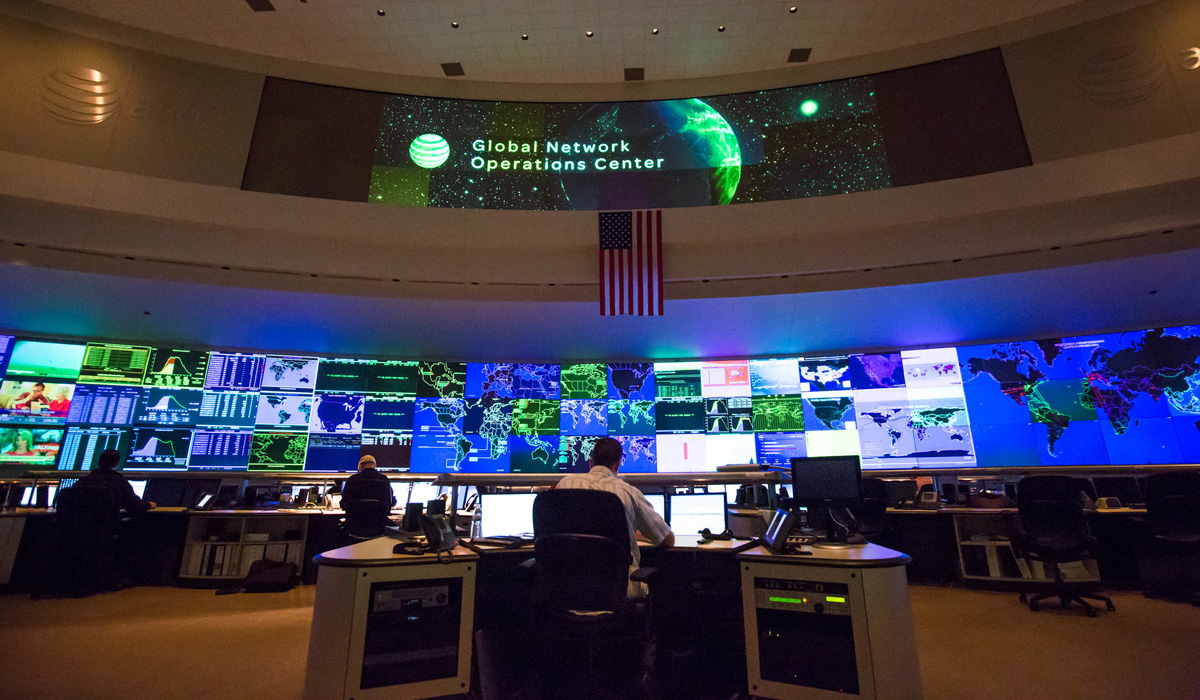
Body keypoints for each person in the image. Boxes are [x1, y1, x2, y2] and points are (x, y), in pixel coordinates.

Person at [557, 437, 673, 594]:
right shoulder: (628, 492)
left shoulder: (564, 485)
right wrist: (635, 534)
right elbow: (667, 539)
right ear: (617, 465)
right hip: (616, 592)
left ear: (591, 462)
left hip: (567, 592)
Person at [74, 449, 155, 513]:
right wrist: (149, 505)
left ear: (98, 462)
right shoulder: (119, 482)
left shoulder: (82, 482)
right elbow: (134, 506)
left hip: (78, 529)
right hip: (105, 528)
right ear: (116, 464)